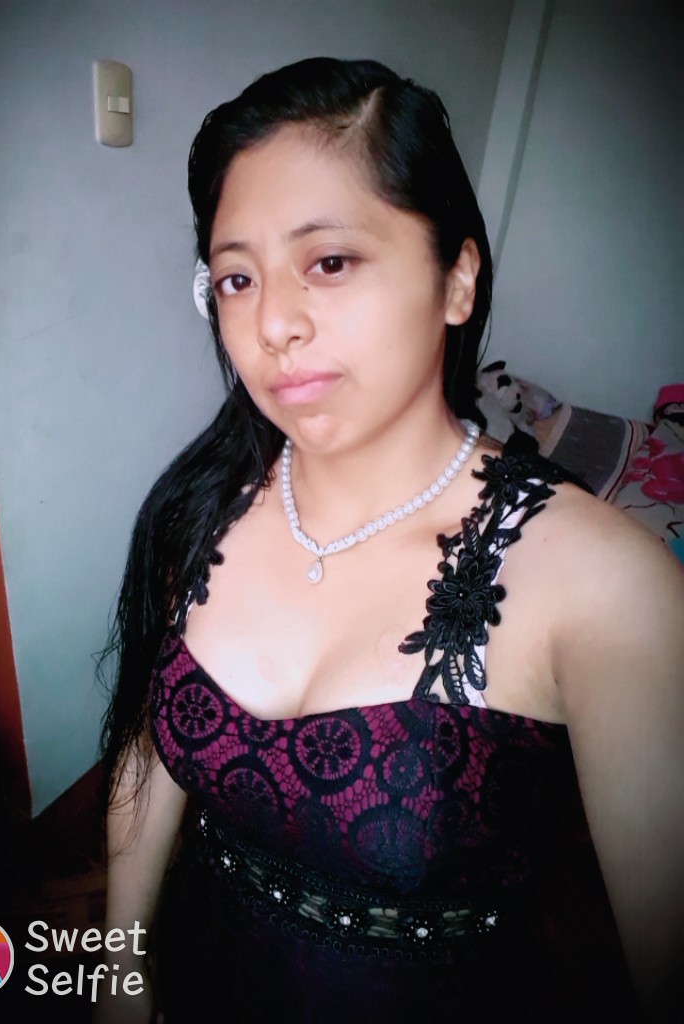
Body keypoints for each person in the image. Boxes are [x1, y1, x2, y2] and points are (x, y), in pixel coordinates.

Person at [95, 57, 684, 1023]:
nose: (272, 323)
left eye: (329, 262)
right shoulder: (198, 509)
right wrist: (120, 977)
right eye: (237, 278)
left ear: (457, 279)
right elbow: (145, 755)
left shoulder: (609, 590)